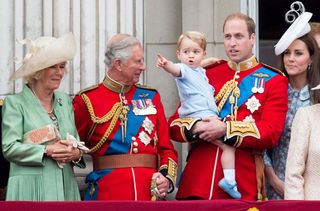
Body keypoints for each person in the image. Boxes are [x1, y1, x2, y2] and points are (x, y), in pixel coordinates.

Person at [168, 12, 288, 201]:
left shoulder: (274, 80)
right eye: (227, 37)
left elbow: (270, 132)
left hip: (242, 183)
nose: (232, 43)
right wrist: (197, 127)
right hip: (197, 181)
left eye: (238, 36)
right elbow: (174, 125)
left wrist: (225, 129)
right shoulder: (207, 73)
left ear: (252, 38)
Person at [73, 33, 178, 201]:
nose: (143, 67)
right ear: (118, 64)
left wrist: (166, 178)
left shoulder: (151, 96)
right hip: (109, 195)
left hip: (149, 195)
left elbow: (167, 148)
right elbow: (74, 148)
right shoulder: (87, 100)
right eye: (138, 61)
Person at [1, 32, 85, 201]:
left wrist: (75, 153)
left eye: (62, 66)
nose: (59, 73)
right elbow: (9, 148)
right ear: (36, 71)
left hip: (66, 187)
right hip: (30, 189)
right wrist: (47, 150)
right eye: (52, 66)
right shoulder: (15, 103)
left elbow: (76, 144)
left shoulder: (65, 101)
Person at [156, 31, 240, 199]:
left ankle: (229, 180)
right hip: (199, 116)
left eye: (196, 52)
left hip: (205, 115)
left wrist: (209, 61)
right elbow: (176, 69)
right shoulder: (183, 69)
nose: (191, 56)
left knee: (221, 146)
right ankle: (230, 180)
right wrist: (166, 64)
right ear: (179, 54)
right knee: (228, 145)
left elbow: (199, 65)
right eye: (186, 52)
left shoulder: (200, 70)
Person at [264, 12, 320, 200]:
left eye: (298, 53)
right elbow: (261, 141)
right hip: (274, 183)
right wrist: (273, 180)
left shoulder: (317, 97)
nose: (291, 58)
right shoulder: (272, 91)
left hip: (311, 187)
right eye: (287, 53)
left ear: (311, 59)